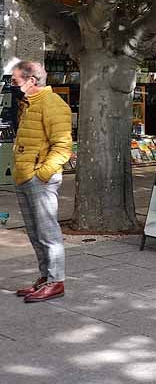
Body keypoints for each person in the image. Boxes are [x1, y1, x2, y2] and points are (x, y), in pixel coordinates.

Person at [11, 60, 72, 303]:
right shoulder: (29, 103)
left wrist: (42, 173)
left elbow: (63, 147)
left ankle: (56, 281)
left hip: (39, 179)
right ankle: (46, 276)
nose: (12, 85)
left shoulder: (52, 104)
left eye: (15, 81)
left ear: (31, 81)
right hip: (25, 176)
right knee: (35, 233)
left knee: (48, 233)